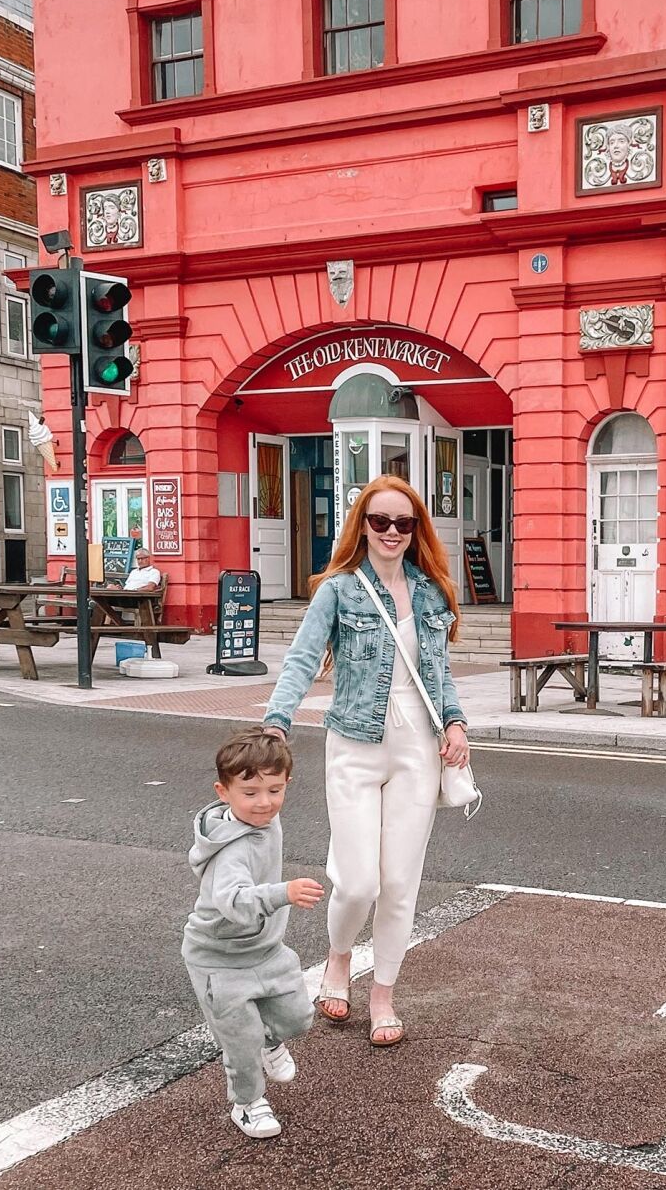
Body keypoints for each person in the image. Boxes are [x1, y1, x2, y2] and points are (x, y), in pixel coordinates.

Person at [262, 474, 470, 1048]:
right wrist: (278, 721)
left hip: (418, 747)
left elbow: (440, 673)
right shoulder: (339, 590)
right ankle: (338, 958)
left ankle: (382, 994)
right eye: (380, 521)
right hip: (354, 743)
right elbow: (302, 659)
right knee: (357, 884)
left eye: (403, 522)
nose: (391, 532)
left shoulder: (430, 592)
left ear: (416, 529)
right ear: (363, 525)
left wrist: (455, 722)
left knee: (399, 883)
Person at [182, 729, 324, 1140]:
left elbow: (265, 782)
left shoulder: (265, 817)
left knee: (298, 1017)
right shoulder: (230, 851)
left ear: (287, 784)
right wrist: (284, 893)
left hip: (264, 949)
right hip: (218, 958)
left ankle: (270, 1042)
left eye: (274, 790)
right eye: (250, 792)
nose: (264, 802)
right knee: (240, 1043)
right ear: (223, 792)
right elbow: (233, 901)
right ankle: (247, 1104)